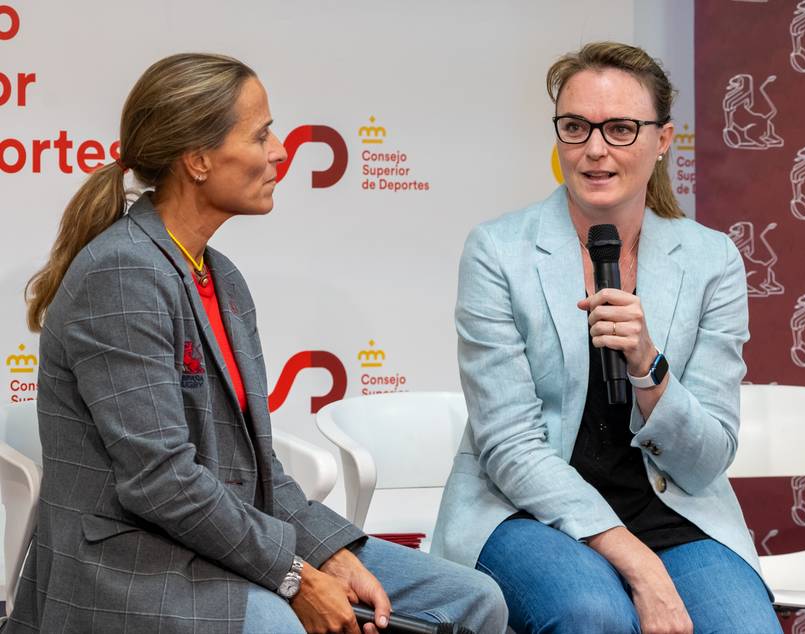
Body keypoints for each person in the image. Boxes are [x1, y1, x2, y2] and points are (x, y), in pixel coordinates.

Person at [13, 53, 507, 634]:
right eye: (261, 133)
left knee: (473, 601)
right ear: (197, 159)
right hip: (131, 565)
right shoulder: (121, 274)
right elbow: (161, 481)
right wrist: (294, 575)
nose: (280, 150)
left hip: (213, 542)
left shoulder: (221, 278)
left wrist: (329, 551)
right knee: (281, 624)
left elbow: (256, 468)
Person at [431, 42, 781, 634]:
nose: (595, 150)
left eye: (621, 128)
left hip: (670, 508)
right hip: (525, 511)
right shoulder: (499, 251)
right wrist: (641, 567)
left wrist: (647, 364)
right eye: (576, 127)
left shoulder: (711, 260)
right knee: (595, 615)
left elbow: (708, 456)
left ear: (664, 140)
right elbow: (510, 445)